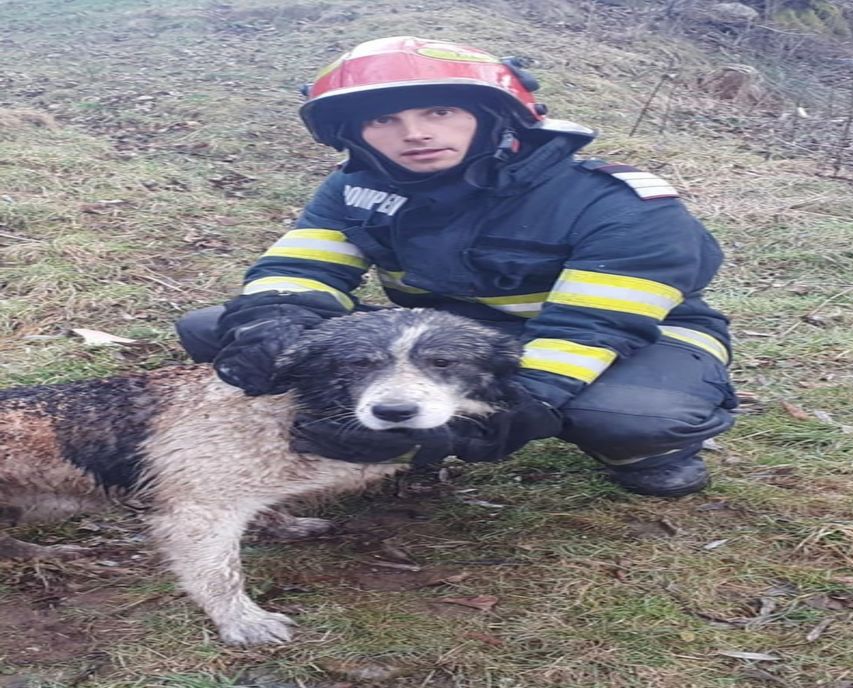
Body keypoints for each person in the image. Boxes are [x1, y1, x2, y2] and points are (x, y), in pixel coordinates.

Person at [176, 36, 738, 497]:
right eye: (384, 121)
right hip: (441, 340)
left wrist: (515, 409)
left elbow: (591, 329)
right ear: (355, 136)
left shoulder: (616, 202)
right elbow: (302, 271)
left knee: (629, 416)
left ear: (495, 117)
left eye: (439, 112)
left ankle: (647, 450)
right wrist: (269, 323)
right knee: (218, 329)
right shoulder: (356, 187)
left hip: (632, 338)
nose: (414, 133)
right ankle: (356, 422)